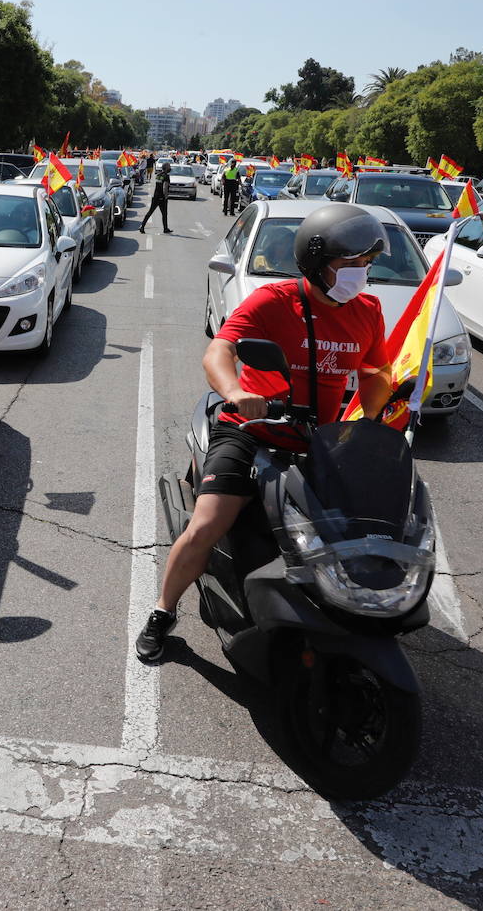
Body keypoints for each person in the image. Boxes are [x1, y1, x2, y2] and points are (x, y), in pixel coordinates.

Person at [135, 204, 395, 661]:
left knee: (359, 528)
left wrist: (371, 416)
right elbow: (220, 351)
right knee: (208, 524)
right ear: (318, 264)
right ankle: (162, 611)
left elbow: (376, 372)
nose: (362, 273)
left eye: (367, 264)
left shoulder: (368, 311)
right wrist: (236, 391)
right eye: (352, 264)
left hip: (321, 440)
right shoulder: (274, 301)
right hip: (253, 430)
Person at [140, 162, 172, 234]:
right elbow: (165, 188)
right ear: (166, 168)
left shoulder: (158, 175)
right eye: (169, 166)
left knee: (150, 212)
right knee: (164, 214)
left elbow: (158, 186)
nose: (170, 168)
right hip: (162, 198)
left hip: (155, 197)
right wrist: (166, 197)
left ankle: (142, 226)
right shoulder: (166, 176)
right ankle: (165, 229)